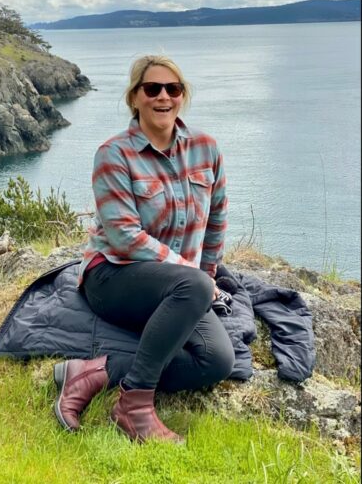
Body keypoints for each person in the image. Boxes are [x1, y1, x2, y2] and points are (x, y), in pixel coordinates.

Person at [53, 55, 235, 443]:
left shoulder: (206, 149)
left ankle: (95, 371)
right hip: (113, 275)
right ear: (134, 97)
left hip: (177, 284)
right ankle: (133, 405)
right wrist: (195, 276)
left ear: (183, 96)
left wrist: (208, 273)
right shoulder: (114, 154)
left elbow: (216, 219)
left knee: (217, 361)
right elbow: (123, 237)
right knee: (195, 286)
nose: (163, 97)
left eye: (173, 89)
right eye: (152, 89)